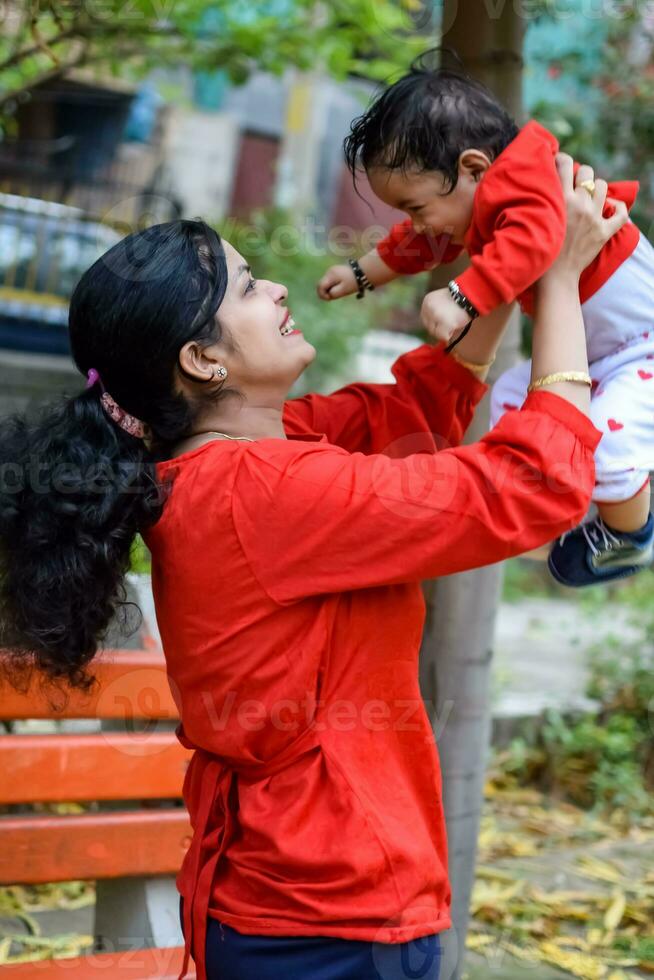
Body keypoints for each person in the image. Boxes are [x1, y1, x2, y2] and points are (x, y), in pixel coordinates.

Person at [0, 156, 625, 980]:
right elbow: (534, 487)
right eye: (251, 288)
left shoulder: (245, 454)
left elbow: (416, 413)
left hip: (294, 896)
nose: (278, 293)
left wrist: (511, 260)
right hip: (329, 912)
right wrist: (562, 284)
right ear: (203, 360)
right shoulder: (263, 489)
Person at [318, 58, 654, 587]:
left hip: (643, 349)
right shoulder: (474, 199)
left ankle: (629, 536)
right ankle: (553, 501)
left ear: (474, 167)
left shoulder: (528, 182)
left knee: (609, 451)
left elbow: (534, 244)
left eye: (416, 205)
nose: (418, 221)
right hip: (596, 354)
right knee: (516, 407)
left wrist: (463, 296)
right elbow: (422, 241)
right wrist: (364, 272)